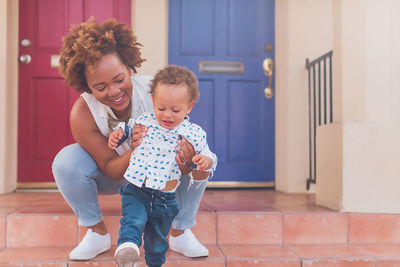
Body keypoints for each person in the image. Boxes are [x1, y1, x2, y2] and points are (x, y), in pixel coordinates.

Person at [52, 17, 212, 261]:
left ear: (129, 68)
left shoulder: (154, 92)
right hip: (117, 175)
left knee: (201, 155)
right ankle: (97, 232)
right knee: (66, 161)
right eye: (100, 87)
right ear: (86, 85)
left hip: (162, 175)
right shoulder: (83, 112)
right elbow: (111, 169)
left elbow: (187, 137)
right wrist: (136, 148)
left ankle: (180, 231)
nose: (114, 92)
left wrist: (188, 158)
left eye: (119, 79)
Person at [109, 65, 217, 267]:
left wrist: (206, 161)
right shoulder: (145, 121)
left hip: (165, 198)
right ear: (153, 102)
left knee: (157, 241)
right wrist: (119, 132)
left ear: (189, 106)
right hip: (137, 188)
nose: (167, 115)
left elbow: (208, 154)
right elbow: (126, 127)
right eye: (161, 108)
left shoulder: (193, 133)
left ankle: (154, 262)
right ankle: (127, 249)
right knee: (132, 220)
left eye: (175, 110)